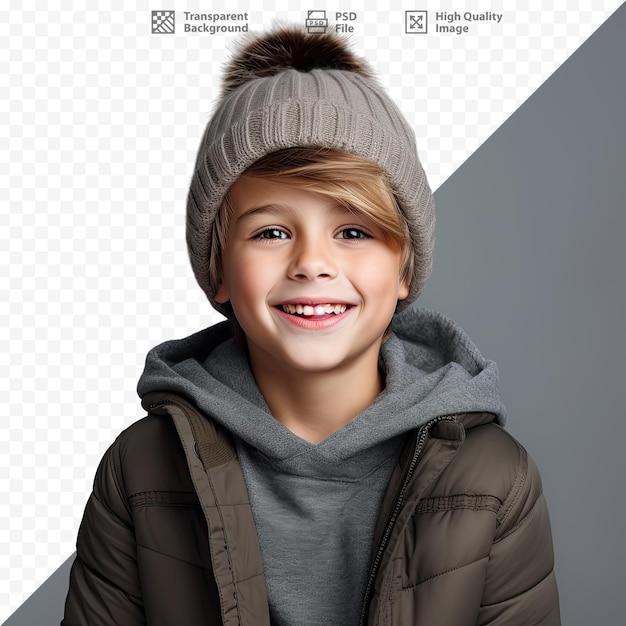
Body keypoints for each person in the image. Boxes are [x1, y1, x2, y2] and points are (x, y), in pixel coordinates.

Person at [62, 25, 560, 626]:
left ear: (404, 269)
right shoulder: (141, 468)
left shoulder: (494, 477)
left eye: (353, 231)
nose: (313, 264)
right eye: (271, 232)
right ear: (219, 270)